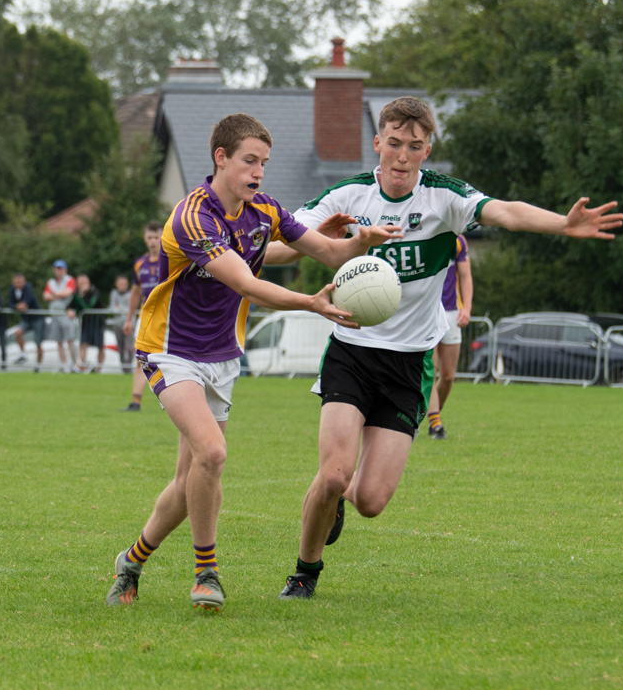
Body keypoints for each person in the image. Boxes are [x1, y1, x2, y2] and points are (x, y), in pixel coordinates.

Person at [267, 96, 623, 600]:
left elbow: (505, 212)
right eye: (394, 144)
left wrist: (562, 224)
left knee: (369, 500)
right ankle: (304, 572)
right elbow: (282, 244)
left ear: (426, 150)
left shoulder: (442, 198)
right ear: (378, 144)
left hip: (410, 364)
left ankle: (340, 499)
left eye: (414, 147)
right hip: (352, 349)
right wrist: (255, 250)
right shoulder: (347, 196)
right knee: (332, 474)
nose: (402, 156)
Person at [103, 113, 400, 612]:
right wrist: (312, 303)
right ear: (221, 158)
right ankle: (206, 573)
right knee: (213, 454)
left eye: (264, 162)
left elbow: (327, 249)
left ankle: (130, 562)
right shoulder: (192, 217)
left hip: (221, 356)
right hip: (170, 351)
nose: (259, 171)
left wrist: (361, 244)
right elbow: (246, 282)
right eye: (249, 161)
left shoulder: (263, 210)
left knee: (188, 480)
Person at [426, 235, 471, 439]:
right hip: (426, 311)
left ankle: (434, 415)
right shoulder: (424, 233)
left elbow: (465, 276)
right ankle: (436, 424)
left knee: (448, 376)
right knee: (431, 370)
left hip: (452, 312)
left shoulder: (458, 241)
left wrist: (467, 308)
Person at [121, 222, 164, 410]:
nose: (153, 242)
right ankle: (135, 401)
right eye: (150, 238)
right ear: (145, 239)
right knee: (140, 359)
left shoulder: (170, 259)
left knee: (172, 360)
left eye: (156, 237)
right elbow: (135, 292)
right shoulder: (140, 264)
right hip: (145, 317)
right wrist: (129, 318)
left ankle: (173, 401)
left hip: (168, 317)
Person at [44, 260, 77, 371]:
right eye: (57, 269)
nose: (59, 271)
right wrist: (59, 295)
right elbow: (45, 296)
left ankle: (74, 364)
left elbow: (67, 293)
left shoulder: (70, 279)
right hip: (55, 315)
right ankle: (64, 365)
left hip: (65, 314)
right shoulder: (51, 282)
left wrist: (53, 294)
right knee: (59, 341)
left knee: (70, 340)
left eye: (61, 268)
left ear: (65, 270)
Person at [8, 272, 45, 368]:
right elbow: (10, 304)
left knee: (38, 342)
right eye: (16, 282)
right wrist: (17, 306)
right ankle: (23, 354)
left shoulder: (28, 288)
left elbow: (26, 303)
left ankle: (38, 365)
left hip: (37, 318)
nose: (18, 284)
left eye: (20, 282)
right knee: (18, 332)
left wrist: (18, 306)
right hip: (26, 319)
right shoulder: (12, 290)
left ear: (24, 281)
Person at [69, 273, 103, 372]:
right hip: (85, 323)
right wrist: (69, 311)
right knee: (83, 344)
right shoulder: (77, 294)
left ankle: (99, 368)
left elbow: (88, 306)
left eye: (84, 282)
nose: (82, 285)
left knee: (100, 346)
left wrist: (81, 297)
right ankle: (81, 366)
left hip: (97, 323)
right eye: (80, 283)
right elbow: (70, 305)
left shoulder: (94, 291)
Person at [107, 273, 131, 369]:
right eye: (120, 284)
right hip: (117, 324)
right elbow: (112, 308)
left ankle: (128, 366)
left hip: (128, 324)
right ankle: (123, 367)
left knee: (129, 346)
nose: (122, 286)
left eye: (124, 284)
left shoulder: (130, 294)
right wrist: (122, 309)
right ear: (116, 284)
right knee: (120, 346)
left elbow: (130, 309)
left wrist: (119, 308)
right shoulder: (113, 294)